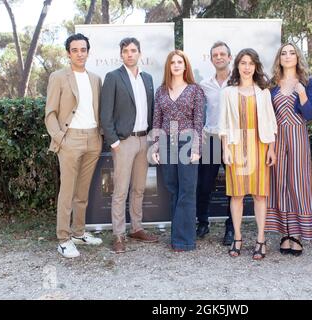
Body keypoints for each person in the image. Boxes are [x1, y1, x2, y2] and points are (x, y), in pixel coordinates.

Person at [45, 33, 103, 258]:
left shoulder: (95, 78)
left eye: (83, 49)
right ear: (68, 53)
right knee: (67, 192)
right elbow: (50, 112)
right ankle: (63, 238)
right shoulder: (59, 77)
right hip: (70, 139)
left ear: (88, 52)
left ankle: (78, 232)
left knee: (82, 191)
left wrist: (99, 136)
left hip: (93, 139)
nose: (80, 54)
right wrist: (60, 137)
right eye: (75, 50)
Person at [100, 37, 158, 254]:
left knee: (140, 188)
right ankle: (118, 235)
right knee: (121, 190)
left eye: (134, 50)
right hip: (124, 142)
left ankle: (136, 228)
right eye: (126, 51)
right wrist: (114, 141)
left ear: (139, 53)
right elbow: (105, 113)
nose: (130, 54)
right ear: (121, 54)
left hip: (145, 139)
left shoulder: (148, 78)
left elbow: (152, 109)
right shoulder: (113, 77)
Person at [218, 48, 277, 260]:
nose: (246, 67)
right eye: (243, 63)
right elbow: (223, 125)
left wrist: (271, 149)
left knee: (260, 194)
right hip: (236, 146)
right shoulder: (227, 92)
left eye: (250, 63)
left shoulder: (264, 92)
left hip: (260, 145)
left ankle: (261, 239)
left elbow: (271, 122)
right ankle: (238, 237)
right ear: (237, 66)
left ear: (255, 67)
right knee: (237, 195)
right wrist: (225, 149)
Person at [265, 43, 312, 256]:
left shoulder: (308, 82)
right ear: (279, 58)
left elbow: (309, 114)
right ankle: (284, 233)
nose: (287, 56)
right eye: (284, 53)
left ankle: (297, 234)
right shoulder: (272, 85)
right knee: (279, 183)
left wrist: (302, 93)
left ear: (298, 57)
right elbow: (268, 116)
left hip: (298, 135)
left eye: (292, 53)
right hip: (277, 137)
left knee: (298, 182)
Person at [151, 50, 205, 252]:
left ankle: (185, 241)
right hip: (166, 143)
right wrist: (155, 145)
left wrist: (197, 148)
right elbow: (157, 119)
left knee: (187, 191)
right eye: (172, 62)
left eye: (179, 62)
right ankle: (177, 237)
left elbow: (199, 121)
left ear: (185, 65)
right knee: (173, 190)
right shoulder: (161, 91)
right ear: (168, 66)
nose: (176, 65)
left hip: (188, 143)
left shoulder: (195, 90)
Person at [197, 41, 234, 245]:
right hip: (211, 139)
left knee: (232, 185)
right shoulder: (205, 85)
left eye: (222, 54)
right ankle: (203, 222)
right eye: (215, 55)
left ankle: (230, 227)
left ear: (229, 57)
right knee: (204, 185)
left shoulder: (238, 82)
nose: (219, 57)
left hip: (233, 140)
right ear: (211, 60)